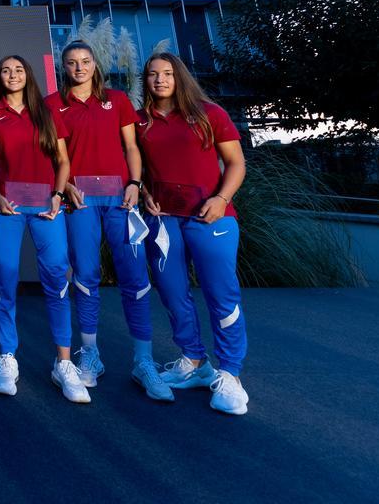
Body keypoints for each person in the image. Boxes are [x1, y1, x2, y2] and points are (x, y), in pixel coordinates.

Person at [46, 41, 172, 401]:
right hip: (80, 202)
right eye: (71, 63)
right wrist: (65, 184)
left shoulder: (116, 100)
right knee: (85, 277)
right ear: (64, 68)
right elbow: (55, 157)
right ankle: (90, 355)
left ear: (95, 65)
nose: (79, 68)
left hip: (120, 199)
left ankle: (143, 362)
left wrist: (135, 183)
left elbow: (131, 147)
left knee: (135, 277)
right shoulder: (54, 105)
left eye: (85, 61)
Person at [137, 52, 249, 415]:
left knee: (221, 293)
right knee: (172, 292)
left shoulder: (208, 113)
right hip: (164, 220)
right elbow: (138, 170)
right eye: (153, 74)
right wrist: (144, 194)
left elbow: (235, 163)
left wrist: (222, 197)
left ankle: (230, 374)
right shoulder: (141, 122)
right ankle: (194, 362)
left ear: (179, 76)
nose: (160, 80)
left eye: (167, 73)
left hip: (210, 219)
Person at [0, 55, 88, 402]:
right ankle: (7, 356)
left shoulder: (47, 112)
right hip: (8, 208)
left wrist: (58, 195)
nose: (12, 75)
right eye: (5, 70)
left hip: (46, 208)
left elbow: (63, 161)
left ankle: (64, 362)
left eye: (19, 70)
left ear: (28, 76)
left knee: (57, 279)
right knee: (5, 280)